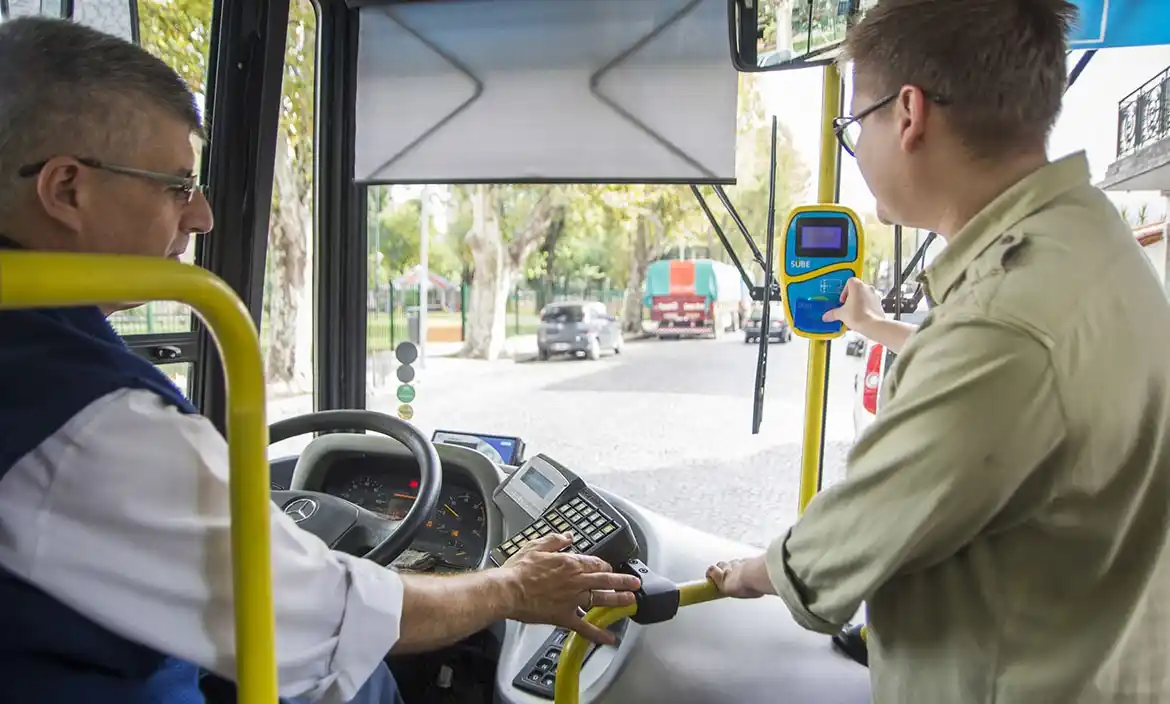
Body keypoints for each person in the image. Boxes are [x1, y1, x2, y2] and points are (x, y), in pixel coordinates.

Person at [0, 17, 640, 704]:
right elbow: (321, 619)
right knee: (359, 680)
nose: (203, 217)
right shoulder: (88, 422)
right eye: (178, 186)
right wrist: (510, 586)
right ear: (67, 189)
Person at [707, 1, 1170, 702]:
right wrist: (879, 329)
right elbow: (1022, 389)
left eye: (854, 125)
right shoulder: (1087, 239)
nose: (856, 148)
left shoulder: (1004, 324)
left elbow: (862, 526)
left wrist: (755, 571)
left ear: (909, 114)